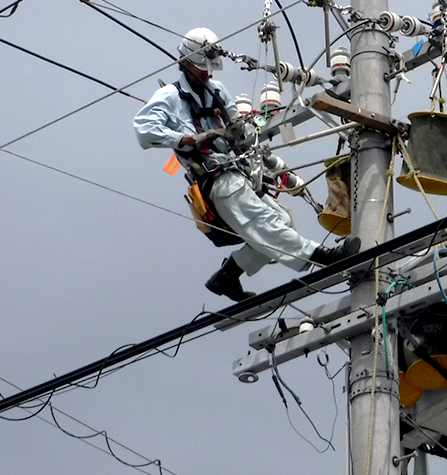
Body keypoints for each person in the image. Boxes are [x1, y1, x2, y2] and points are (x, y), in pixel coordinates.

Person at [133, 28, 359, 302]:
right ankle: (324, 257)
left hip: (239, 170)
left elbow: (246, 132)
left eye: (209, 69)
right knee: (261, 222)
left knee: (283, 220)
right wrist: (190, 138)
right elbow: (144, 130)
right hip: (215, 178)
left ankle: (227, 276)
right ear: (186, 63)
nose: (207, 74)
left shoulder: (217, 91)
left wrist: (242, 131)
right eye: (201, 68)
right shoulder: (169, 96)